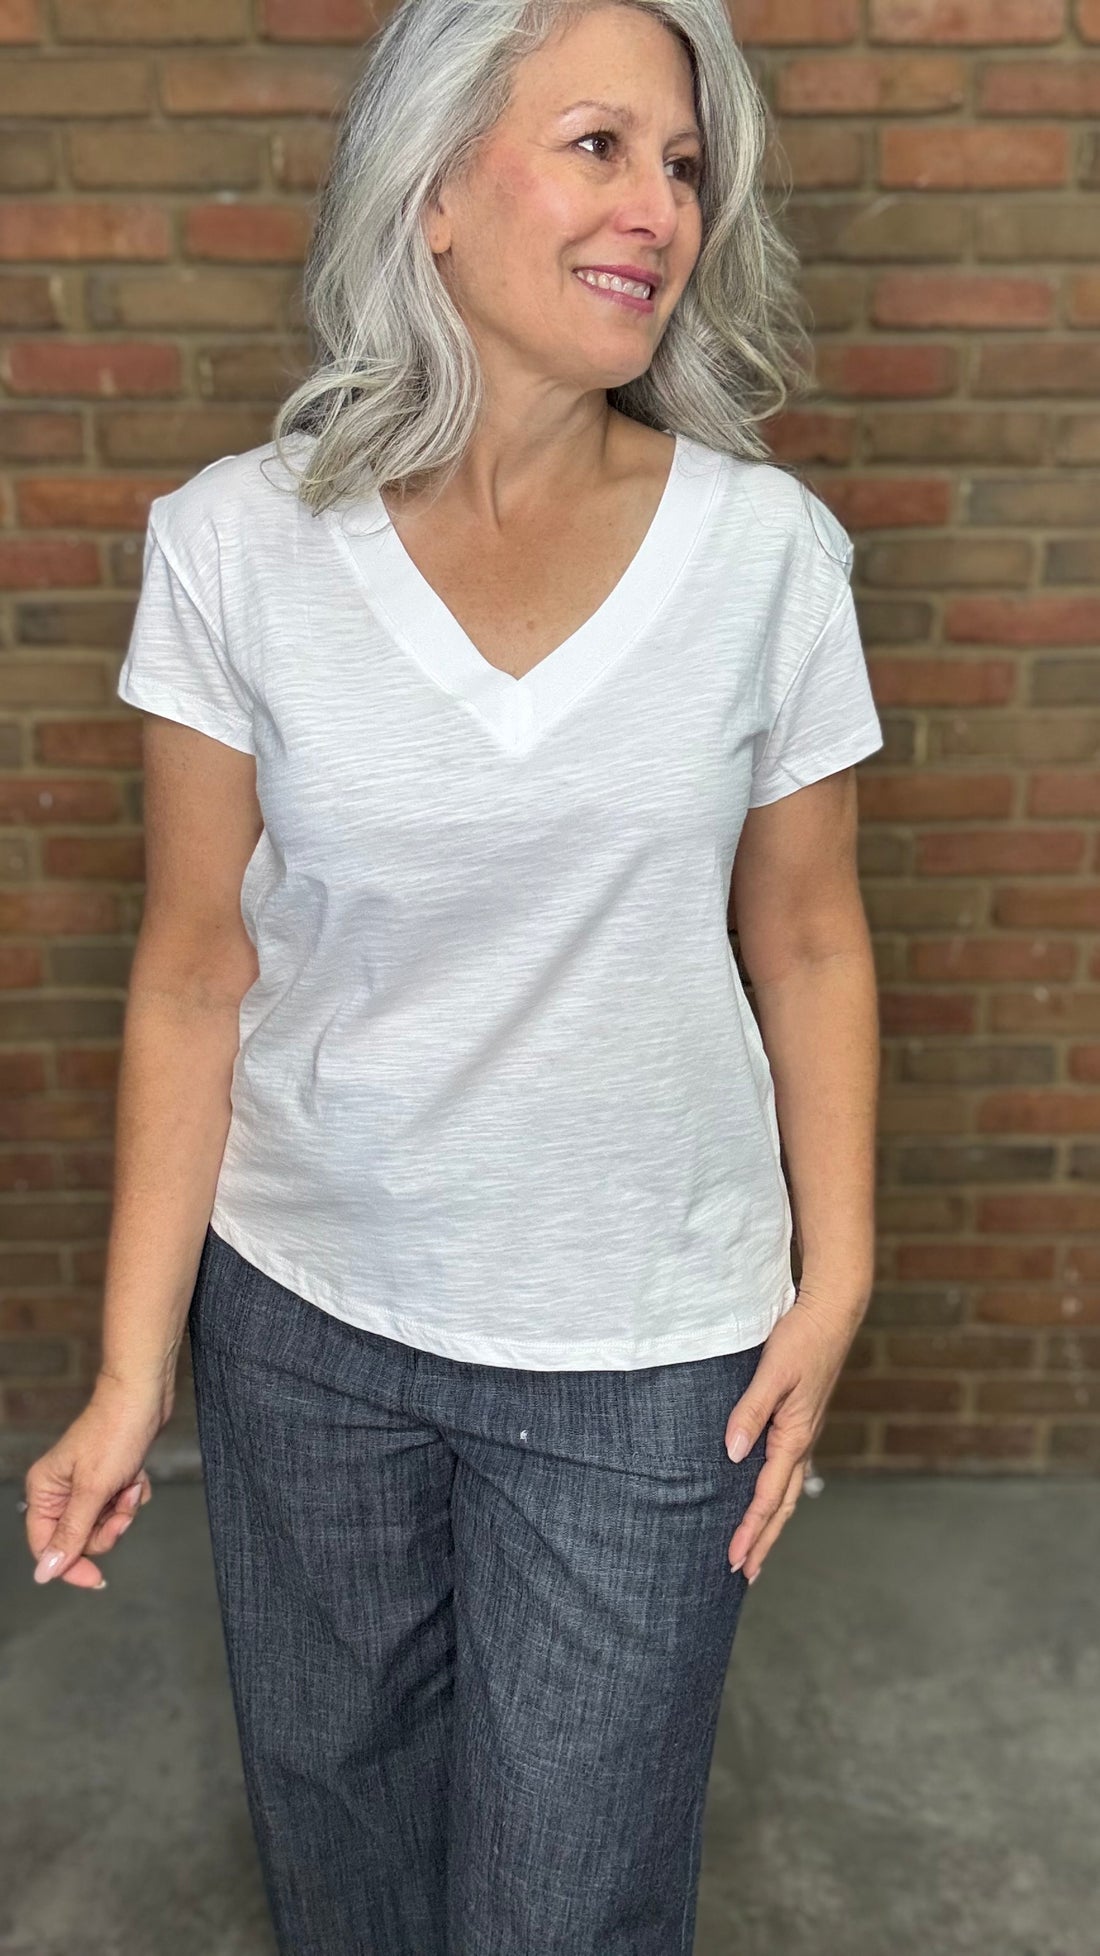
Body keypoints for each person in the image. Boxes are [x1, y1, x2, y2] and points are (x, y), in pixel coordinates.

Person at [22, 0, 884, 1949]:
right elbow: (190, 971)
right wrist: (130, 1373)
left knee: (566, 1903)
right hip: (306, 1331)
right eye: (597, 145)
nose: (657, 207)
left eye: (680, 165)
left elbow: (811, 934)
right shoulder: (234, 549)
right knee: (341, 1859)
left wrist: (832, 1281)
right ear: (429, 189)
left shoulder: (766, 560)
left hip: (647, 1361)